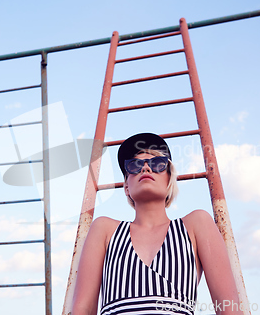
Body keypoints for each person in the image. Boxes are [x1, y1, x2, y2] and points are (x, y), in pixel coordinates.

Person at [72, 133, 242, 315]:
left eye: (158, 164)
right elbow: (83, 309)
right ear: (127, 186)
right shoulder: (104, 229)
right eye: (134, 165)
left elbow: (228, 307)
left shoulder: (196, 224)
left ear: (169, 179)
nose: (146, 168)